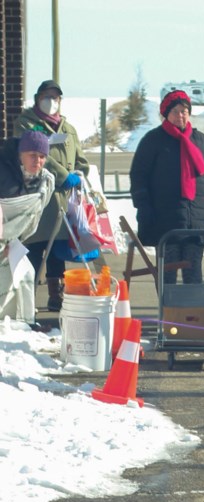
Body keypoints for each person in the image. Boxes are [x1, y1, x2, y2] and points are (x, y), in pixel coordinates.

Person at [131, 90, 204, 284]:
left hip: (197, 221)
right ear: (166, 114)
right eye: (175, 111)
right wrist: (143, 206)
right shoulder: (153, 140)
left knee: (193, 276)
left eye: (184, 111)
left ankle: (192, 314)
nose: (181, 115)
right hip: (165, 221)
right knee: (167, 275)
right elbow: (138, 176)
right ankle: (167, 314)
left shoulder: (201, 140)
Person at [15, 80, 90, 312]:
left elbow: (80, 158)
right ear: (38, 98)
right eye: (47, 96)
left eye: (56, 97)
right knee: (34, 249)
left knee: (58, 249)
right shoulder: (27, 123)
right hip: (37, 196)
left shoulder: (68, 129)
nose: (51, 102)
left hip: (63, 200)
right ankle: (25, 301)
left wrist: (80, 173)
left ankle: (55, 293)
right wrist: (63, 175)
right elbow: (34, 155)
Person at [0, 131, 56, 325]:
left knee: (25, 273)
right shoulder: (3, 173)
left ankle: (22, 322)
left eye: (42, 157)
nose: (37, 161)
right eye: (32, 155)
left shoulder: (41, 180)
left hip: (11, 243)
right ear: (20, 154)